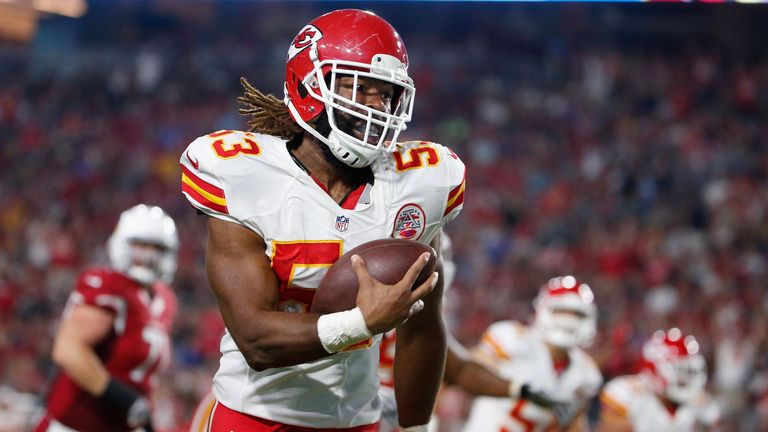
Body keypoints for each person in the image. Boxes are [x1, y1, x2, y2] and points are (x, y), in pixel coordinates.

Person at [179, 8, 465, 432]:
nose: (376, 105)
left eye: (386, 93)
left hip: (356, 421)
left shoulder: (418, 185)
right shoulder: (244, 173)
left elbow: (423, 325)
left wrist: (415, 427)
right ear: (309, 85)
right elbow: (255, 339)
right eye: (359, 87)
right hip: (256, 416)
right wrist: (362, 323)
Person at [377, 236, 572, 432]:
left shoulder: (426, 314)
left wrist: (521, 389)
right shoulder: (366, 301)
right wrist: (370, 395)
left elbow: (459, 370)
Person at [35, 204, 179, 432]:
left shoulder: (165, 300)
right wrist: (123, 399)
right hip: (74, 425)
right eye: (140, 245)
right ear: (122, 244)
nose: (148, 255)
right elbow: (68, 349)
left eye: (156, 248)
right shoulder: (109, 285)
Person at [461, 276, 603, 431]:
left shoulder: (587, 373)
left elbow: (574, 425)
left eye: (578, 314)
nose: (569, 319)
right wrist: (519, 390)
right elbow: (468, 374)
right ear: (542, 310)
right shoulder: (511, 338)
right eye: (561, 310)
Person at [597, 328, 721, 432]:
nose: (685, 379)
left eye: (690, 372)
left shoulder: (700, 402)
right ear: (654, 368)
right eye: (680, 371)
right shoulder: (628, 393)